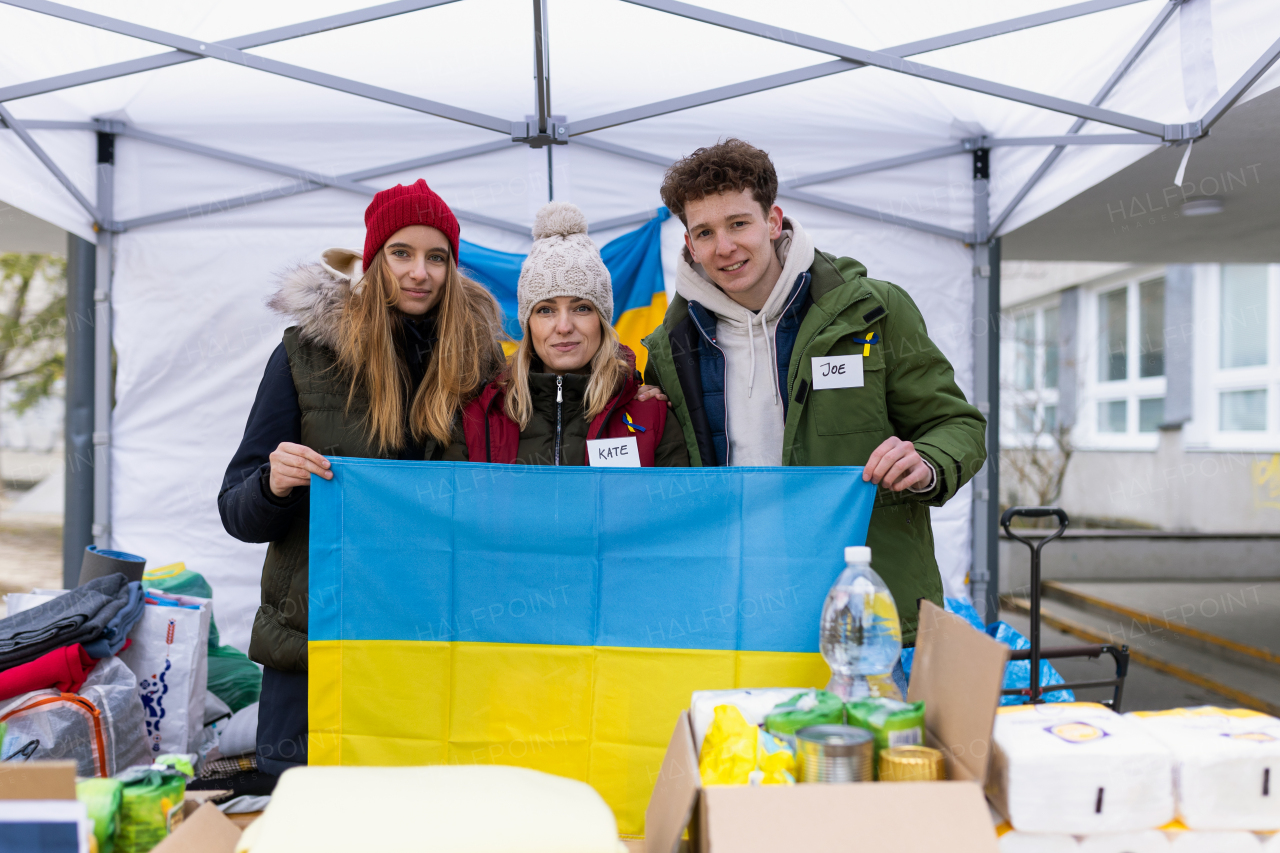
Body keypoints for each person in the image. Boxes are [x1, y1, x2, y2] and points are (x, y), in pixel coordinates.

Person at [642, 139, 986, 655]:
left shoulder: (874, 311)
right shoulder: (671, 348)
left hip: (867, 610)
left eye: (739, 223)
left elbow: (958, 426)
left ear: (773, 220)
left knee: (870, 739)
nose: (724, 247)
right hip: (737, 613)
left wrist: (929, 460)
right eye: (704, 232)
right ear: (689, 244)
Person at [218, 179, 505, 778]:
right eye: (402, 253)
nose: (419, 272)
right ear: (372, 262)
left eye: (437, 257)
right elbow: (236, 511)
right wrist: (273, 483)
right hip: (313, 651)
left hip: (430, 649)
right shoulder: (305, 354)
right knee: (302, 822)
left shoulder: (483, 367)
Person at [454, 202, 687, 467]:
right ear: (528, 324)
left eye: (582, 308)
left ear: (601, 320)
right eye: (545, 310)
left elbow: (674, 508)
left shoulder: (651, 414)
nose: (564, 326)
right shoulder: (478, 416)